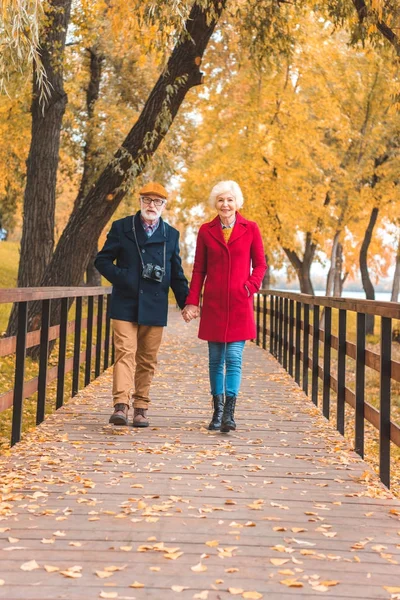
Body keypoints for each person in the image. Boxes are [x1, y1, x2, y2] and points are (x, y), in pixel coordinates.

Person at [95, 182, 189, 427]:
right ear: (140, 202)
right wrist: (124, 277)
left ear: (164, 206)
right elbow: (102, 260)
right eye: (147, 200)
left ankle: (141, 408)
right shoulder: (122, 227)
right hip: (125, 302)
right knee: (125, 353)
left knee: (147, 359)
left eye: (157, 201)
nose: (152, 205)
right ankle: (121, 406)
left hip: (155, 305)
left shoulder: (171, 234)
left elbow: (177, 274)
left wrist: (187, 303)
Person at [183, 181, 267, 432]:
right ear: (215, 204)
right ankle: (217, 412)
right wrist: (191, 301)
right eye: (220, 200)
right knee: (215, 359)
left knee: (234, 357)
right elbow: (199, 269)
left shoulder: (250, 228)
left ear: (237, 202)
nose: (225, 204)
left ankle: (230, 413)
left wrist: (249, 287)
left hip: (240, 304)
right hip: (214, 305)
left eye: (230, 200)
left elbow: (260, 265)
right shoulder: (206, 231)